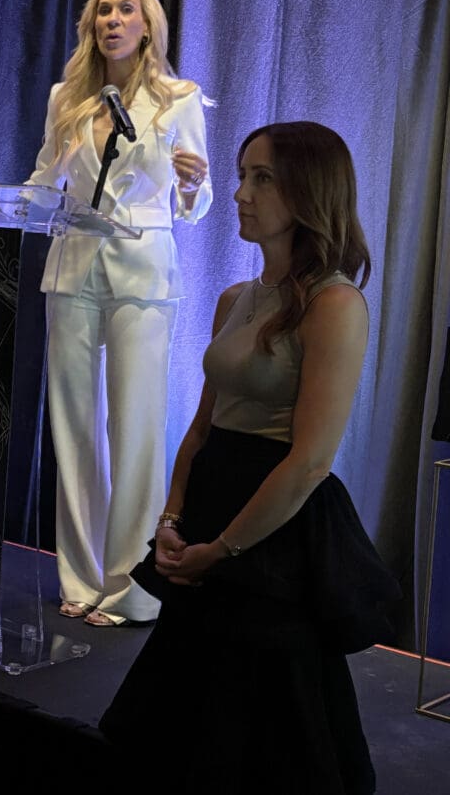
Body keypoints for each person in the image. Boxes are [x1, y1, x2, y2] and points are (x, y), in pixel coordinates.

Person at [99, 122, 401, 794]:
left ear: (307, 190)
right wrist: (174, 519)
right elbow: (205, 427)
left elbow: (309, 462)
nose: (240, 193)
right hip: (211, 510)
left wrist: (223, 551)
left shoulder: (335, 304)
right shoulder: (236, 299)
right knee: (186, 718)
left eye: (261, 178)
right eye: (242, 175)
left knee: (269, 734)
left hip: (274, 537)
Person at [27, 0, 211, 626]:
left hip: (142, 274)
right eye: (102, 9)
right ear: (91, 25)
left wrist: (194, 185)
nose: (112, 19)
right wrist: (12, 200)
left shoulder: (177, 99)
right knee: (75, 430)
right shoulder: (66, 99)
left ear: (147, 24)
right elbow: (44, 181)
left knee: (132, 428)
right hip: (73, 271)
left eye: (125, 9)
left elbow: (196, 204)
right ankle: (80, 578)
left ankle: (130, 587)